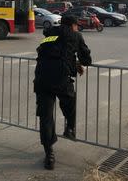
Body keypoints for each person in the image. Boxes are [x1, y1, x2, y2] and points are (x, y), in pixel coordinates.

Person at [34, 14, 92, 170]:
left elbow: (47, 52)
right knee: (69, 100)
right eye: (76, 25)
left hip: (41, 79)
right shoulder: (75, 35)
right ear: (73, 25)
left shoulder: (50, 34)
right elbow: (87, 59)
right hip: (60, 79)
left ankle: (49, 155)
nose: (77, 28)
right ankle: (70, 128)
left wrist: (72, 61)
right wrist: (78, 62)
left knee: (46, 117)